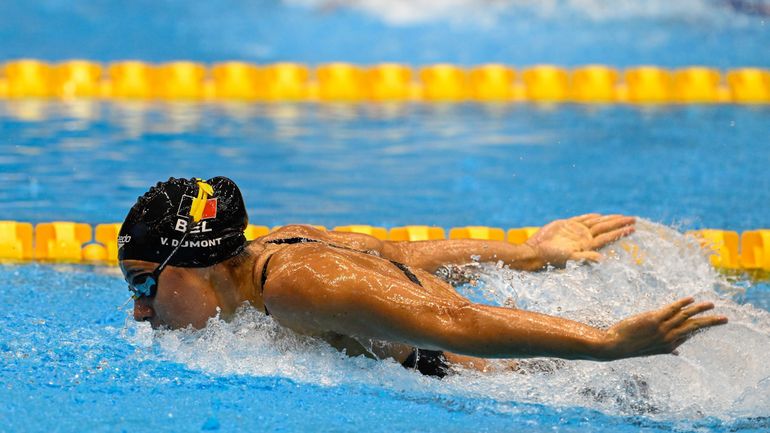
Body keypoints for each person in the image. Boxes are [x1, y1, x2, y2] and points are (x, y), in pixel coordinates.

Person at [118, 177, 728, 377]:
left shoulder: (297, 286)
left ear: (198, 266)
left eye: (143, 284)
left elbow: (454, 322)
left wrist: (609, 345)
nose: (140, 310)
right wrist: (534, 255)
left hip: (508, 378)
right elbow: (405, 253)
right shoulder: (280, 246)